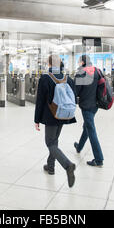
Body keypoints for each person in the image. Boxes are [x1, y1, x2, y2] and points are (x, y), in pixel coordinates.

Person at [34, 54, 77, 187]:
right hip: (64, 114)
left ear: (49, 63)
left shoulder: (46, 78)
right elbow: (74, 97)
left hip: (51, 115)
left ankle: (67, 165)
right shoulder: (67, 79)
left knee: (50, 143)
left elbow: (40, 101)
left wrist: (37, 119)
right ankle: (50, 166)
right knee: (55, 140)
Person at [74, 55, 104, 167]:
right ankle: (79, 146)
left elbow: (75, 91)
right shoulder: (97, 71)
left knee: (91, 129)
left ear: (82, 62)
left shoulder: (81, 72)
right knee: (87, 126)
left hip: (86, 106)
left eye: (79, 62)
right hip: (96, 104)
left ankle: (99, 159)